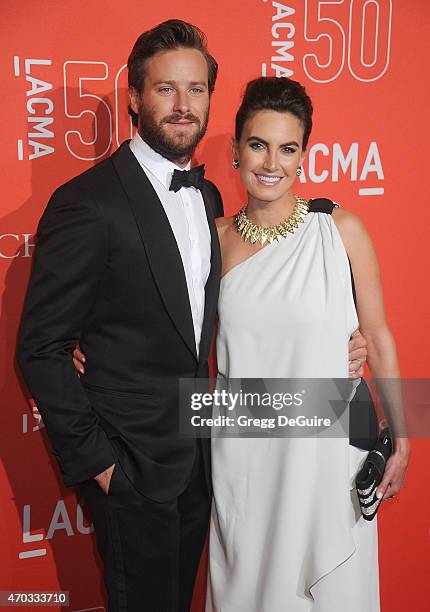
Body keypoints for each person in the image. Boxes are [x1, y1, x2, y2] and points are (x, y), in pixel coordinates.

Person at [17, 20, 223, 612]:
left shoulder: (209, 198)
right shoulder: (87, 202)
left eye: (197, 89)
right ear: (134, 97)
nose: (184, 107)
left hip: (198, 459)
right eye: (166, 90)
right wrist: (103, 467)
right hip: (130, 466)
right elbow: (40, 348)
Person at [204, 77, 410, 611]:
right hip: (246, 452)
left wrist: (402, 435)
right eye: (257, 144)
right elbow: (171, 333)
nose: (271, 162)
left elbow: (379, 335)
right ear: (235, 150)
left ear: (304, 155)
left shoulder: (340, 230)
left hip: (331, 450)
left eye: (287, 147)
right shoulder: (213, 240)